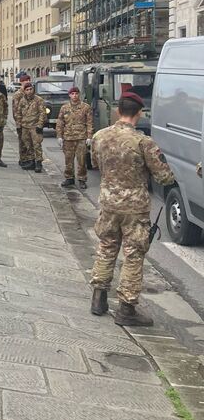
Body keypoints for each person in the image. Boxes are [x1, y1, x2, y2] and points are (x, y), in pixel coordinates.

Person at [88, 92, 175, 326]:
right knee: (133, 256)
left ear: (118, 111)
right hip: (134, 208)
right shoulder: (143, 142)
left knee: (106, 247)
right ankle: (126, 310)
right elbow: (164, 176)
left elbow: (95, 164)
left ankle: (99, 300)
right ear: (139, 113)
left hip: (108, 203)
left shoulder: (99, 136)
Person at [56, 86, 93, 189]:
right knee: (68, 159)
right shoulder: (64, 108)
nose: (74, 96)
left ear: (79, 94)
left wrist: (89, 137)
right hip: (68, 137)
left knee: (81, 160)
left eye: (76, 94)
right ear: (69, 95)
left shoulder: (85, 107)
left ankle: (82, 179)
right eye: (72, 94)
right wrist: (59, 136)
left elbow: (89, 123)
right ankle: (69, 178)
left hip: (81, 137)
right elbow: (60, 122)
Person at [15, 82, 46, 173]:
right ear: (24, 91)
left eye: (30, 89)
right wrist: (19, 125)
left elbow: (42, 113)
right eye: (27, 90)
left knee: (37, 145)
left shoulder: (38, 100)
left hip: (35, 126)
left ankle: (38, 162)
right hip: (25, 126)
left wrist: (40, 125)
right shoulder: (22, 100)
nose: (29, 91)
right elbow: (18, 113)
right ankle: (31, 161)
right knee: (28, 144)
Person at [12, 74, 32, 168]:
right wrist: (18, 123)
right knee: (23, 141)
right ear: (21, 82)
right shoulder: (18, 94)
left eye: (28, 80)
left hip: (31, 123)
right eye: (25, 80)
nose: (27, 81)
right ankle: (23, 159)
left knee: (30, 142)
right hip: (22, 122)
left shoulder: (31, 92)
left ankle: (30, 159)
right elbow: (15, 110)